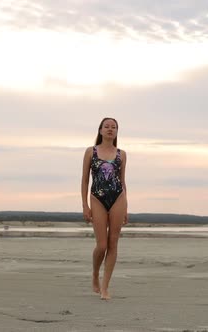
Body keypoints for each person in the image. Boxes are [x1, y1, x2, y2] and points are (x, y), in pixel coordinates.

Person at [81, 117, 128, 300]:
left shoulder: (121, 154)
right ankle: (95, 274)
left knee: (113, 243)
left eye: (113, 127)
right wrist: (85, 205)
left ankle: (105, 287)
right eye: (106, 126)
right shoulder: (90, 152)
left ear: (116, 132)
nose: (110, 129)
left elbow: (122, 181)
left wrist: (126, 206)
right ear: (100, 130)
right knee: (101, 245)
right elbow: (85, 179)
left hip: (118, 197)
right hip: (97, 198)